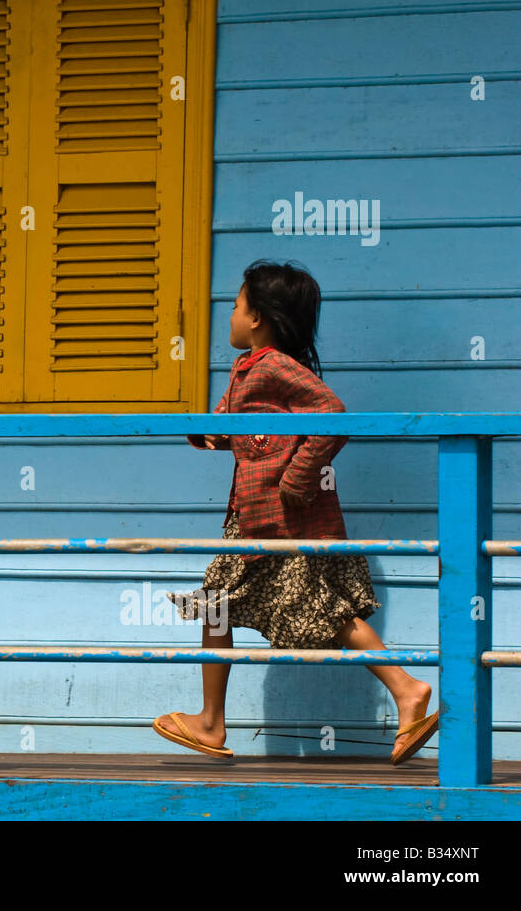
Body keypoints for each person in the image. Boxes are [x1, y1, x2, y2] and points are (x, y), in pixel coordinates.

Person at [154, 259, 439, 765]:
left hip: (281, 516)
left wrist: (298, 475)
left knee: (292, 609)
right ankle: (213, 720)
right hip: (253, 515)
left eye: (237, 306)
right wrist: (207, 432)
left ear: (259, 317)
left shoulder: (274, 365)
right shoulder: (248, 369)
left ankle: (405, 689)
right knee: (245, 606)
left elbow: (332, 416)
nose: (231, 316)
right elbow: (236, 428)